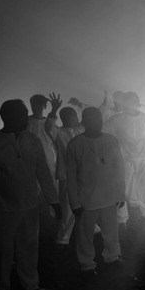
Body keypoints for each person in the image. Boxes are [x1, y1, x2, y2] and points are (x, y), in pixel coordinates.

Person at [0, 99, 62, 290]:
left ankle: (30, 285)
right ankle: (1, 289)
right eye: (22, 114)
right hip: (3, 209)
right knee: (3, 251)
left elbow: (43, 173)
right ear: (7, 117)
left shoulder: (32, 140)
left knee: (30, 247)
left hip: (30, 205)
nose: (26, 118)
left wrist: (54, 201)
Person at [66, 107, 125, 277]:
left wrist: (121, 194)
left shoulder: (111, 140)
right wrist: (74, 202)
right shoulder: (75, 144)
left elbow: (119, 168)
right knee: (84, 235)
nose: (96, 123)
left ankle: (112, 257)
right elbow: (70, 176)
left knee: (111, 232)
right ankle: (87, 265)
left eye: (98, 119)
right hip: (85, 199)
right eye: (91, 120)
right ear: (84, 122)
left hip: (108, 196)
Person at [103, 91, 145, 225]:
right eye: (128, 102)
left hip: (142, 157)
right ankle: (122, 217)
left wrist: (142, 148)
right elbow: (107, 135)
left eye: (132, 102)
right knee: (122, 187)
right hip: (123, 158)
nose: (130, 105)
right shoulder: (115, 120)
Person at [50, 104, 85, 248]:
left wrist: (79, 105)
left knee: (87, 204)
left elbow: (90, 118)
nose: (77, 118)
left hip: (83, 175)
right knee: (68, 209)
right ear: (67, 118)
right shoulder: (58, 132)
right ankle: (63, 238)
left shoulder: (79, 129)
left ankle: (93, 229)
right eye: (74, 116)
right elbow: (49, 127)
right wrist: (53, 110)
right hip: (67, 177)